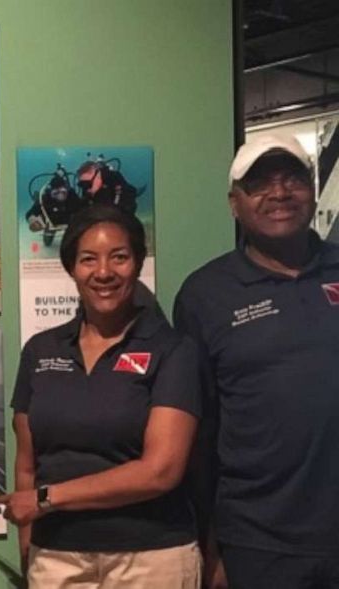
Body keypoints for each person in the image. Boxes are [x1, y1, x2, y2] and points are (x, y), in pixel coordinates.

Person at [0, 204, 202, 587]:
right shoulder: (40, 350)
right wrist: (29, 548)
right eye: (88, 259)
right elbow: (27, 464)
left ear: (138, 264)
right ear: (71, 267)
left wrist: (46, 498)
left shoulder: (172, 350)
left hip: (151, 558)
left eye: (119, 257)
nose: (104, 272)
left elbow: (160, 472)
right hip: (55, 557)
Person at [173, 135, 339, 589]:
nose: (280, 193)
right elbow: (200, 432)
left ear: (312, 187)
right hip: (259, 541)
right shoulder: (204, 295)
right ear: (234, 203)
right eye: (260, 184)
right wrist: (211, 545)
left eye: (292, 179)